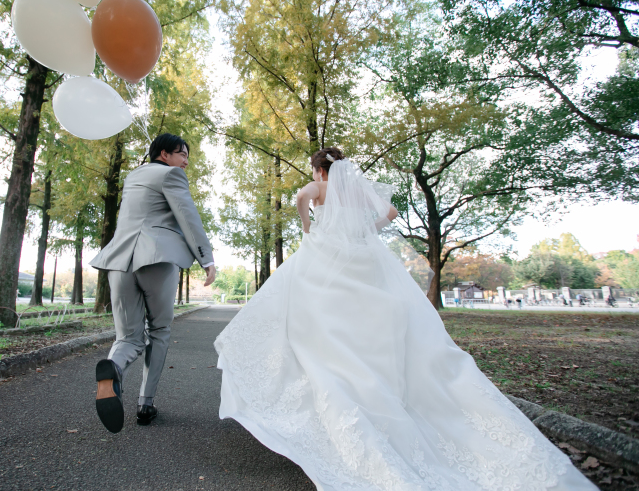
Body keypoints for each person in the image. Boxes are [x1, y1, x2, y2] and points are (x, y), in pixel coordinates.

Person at [215, 148, 595, 491]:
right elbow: (391, 212)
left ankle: (331, 380)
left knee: (317, 320)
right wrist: (364, 230)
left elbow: (301, 197)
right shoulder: (357, 191)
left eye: (316, 172)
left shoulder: (320, 188)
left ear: (320, 171)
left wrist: (308, 226)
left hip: (328, 257)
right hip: (362, 257)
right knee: (367, 323)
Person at [89, 133, 216, 433]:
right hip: (156, 259)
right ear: (164, 154)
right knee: (159, 330)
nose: (185, 161)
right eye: (182, 154)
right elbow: (188, 216)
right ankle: (145, 404)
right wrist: (206, 258)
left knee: (128, 337)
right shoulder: (172, 175)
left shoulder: (132, 176)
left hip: (119, 262)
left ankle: (114, 369)